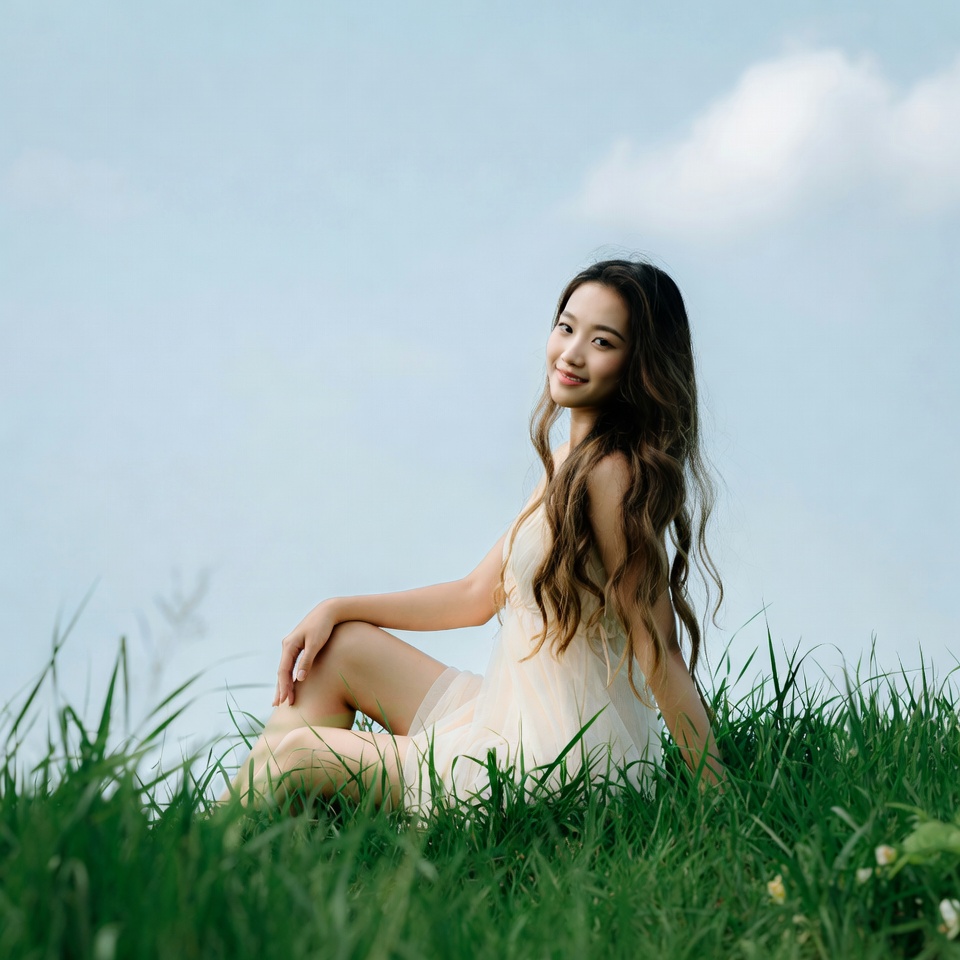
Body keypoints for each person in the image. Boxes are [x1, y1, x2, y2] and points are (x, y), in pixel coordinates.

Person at [222, 258, 725, 813]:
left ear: (640, 365)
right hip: (511, 718)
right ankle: (264, 845)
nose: (572, 353)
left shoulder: (611, 475)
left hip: (554, 765)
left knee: (296, 753)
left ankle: (194, 855)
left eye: (602, 341)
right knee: (338, 647)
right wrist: (336, 606)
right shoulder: (569, 462)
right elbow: (473, 596)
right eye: (566, 327)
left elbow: (658, 648)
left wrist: (719, 799)